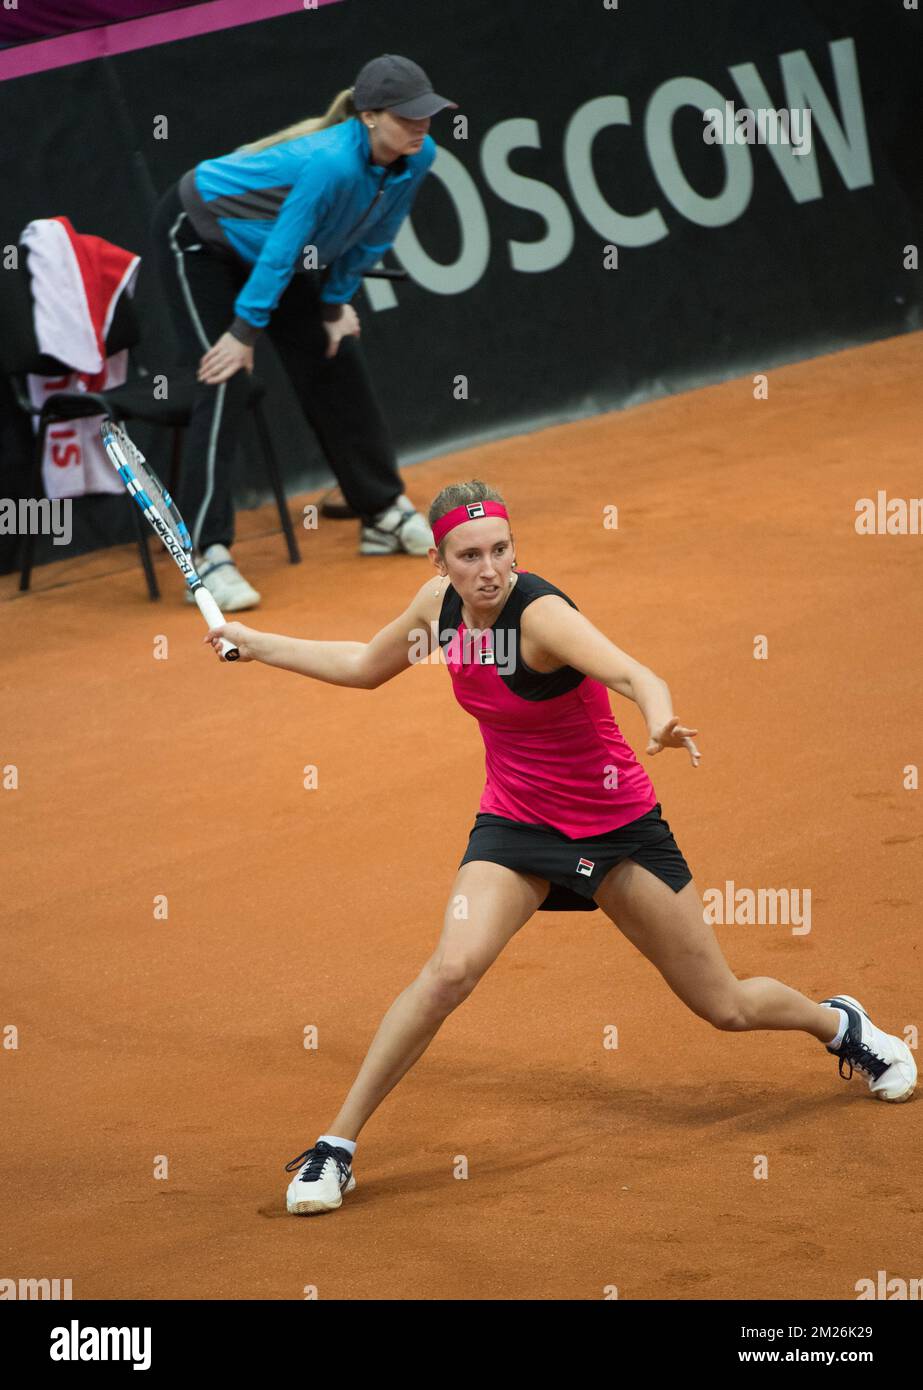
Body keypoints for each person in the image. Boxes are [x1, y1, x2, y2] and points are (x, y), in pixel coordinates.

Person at [203, 480, 917, 1215]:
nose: (489, 568)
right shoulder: (437, 611)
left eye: (501, 550)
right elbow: (361, 666)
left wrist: (661, 719)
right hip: (515, 826)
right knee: (449, 970)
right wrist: (256, 644)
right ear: (436, 562)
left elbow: (636, 674)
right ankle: (337, 1147)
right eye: (469, 555)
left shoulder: (541, 617)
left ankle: (842, 1026)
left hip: (616, 831)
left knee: (725, 1007)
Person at [149, 54, 458, 611]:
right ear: (369, 116)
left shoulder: (419, 155)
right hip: (199, 236)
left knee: (331, 347)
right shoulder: (331, 164)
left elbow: (373, 236)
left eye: (427, 114)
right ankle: (208, 553)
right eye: (407, 116)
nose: (420, 125)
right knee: (223, 376)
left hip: (266, 250)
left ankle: (382, 512)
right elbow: (285, 249)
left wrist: (335, 302)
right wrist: (243, 333)